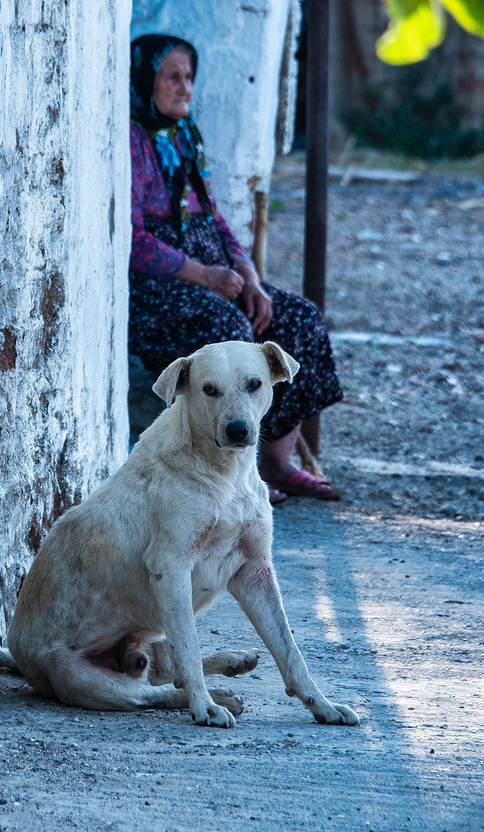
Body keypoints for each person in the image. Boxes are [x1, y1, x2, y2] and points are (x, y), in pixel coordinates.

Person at [125, 33, 343, 502]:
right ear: (145, 81)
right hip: (161, 289)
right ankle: (236, 467)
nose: (184, 88)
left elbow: (212, 215)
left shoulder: (184, 135)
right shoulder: (132, 142)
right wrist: (205, 275)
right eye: (172, 78)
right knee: (230, 327)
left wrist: (248, 275)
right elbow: (135, 242)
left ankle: (277, 464)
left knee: (297, 317)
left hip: (215, 273)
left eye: (188, 78)